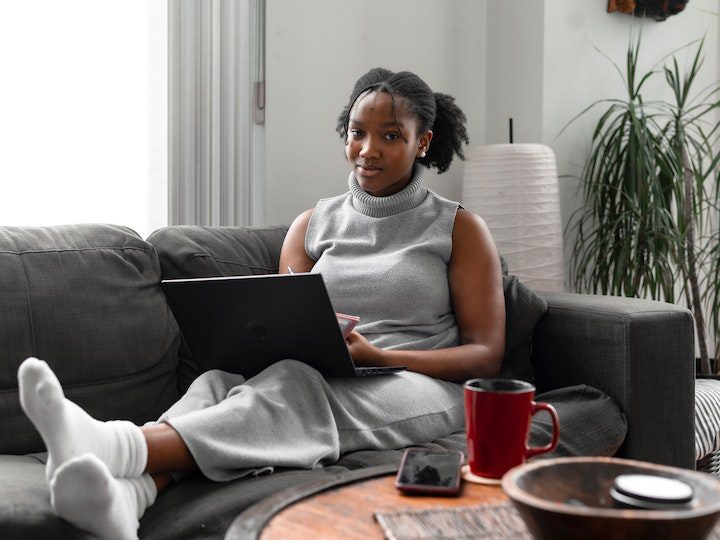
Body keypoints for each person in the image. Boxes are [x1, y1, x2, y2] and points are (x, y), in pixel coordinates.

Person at [17, 68, 625, 540]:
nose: (369, 149)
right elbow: (282, 316)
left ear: (423, 143)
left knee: (295, 385)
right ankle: (131, 499)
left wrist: (377, 353)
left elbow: (487, 353)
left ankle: (120, 445)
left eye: (391, 136)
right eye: (358, 133)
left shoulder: (458, 228)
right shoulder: (313, 223)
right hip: (328, 370)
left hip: (421, 386)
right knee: (221, 380)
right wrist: (305, 338)